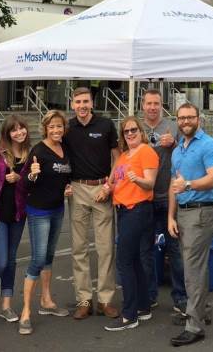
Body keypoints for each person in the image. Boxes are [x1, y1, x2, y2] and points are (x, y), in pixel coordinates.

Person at [168, 103, 213, 347]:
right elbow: (173, 185)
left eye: (190, 117)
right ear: (177, 120)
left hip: (201, 213)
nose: (186, 121)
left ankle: (195, 326)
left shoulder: (209, 145)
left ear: (198, 119)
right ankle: (202, 312)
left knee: (193, 271)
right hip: (183, 213)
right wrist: (171, 216)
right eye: (181, 118)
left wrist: (188, 185)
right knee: (195, 268)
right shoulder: (178, 149)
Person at [64, 87, 120, 320]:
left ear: (92, 102)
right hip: (77, 189)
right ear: (72, 104)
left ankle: (105, 300)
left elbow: (117, 157)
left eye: (86, 101)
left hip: (101, 189)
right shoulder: (67, 128)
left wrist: (109, 186)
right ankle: (84, 299)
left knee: (105, 248)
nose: (82, 105)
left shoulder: (105, 125)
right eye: (78, 102)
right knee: (79, 248)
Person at [18, 110, 72, 335]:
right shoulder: (39, 150)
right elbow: (25, 184)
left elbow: (65, 175)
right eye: (52, 127)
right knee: (38, 259)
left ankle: (47, 301)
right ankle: (25, 311)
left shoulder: (65, 149)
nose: (56, 130)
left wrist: (68, 186)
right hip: (39, 211)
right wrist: (31, 175)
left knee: (49, 256)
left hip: (57, 209)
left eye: (59, 126)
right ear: (45, 129)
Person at [104, 116, 158, 331]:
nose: (130, 134)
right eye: (126, 132)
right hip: (124, 210)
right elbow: (113, 180)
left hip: (137, 209)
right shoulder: (124, 155)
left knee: (124, 261)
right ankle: (143, 307)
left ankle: (129, 315)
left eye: (133, 130)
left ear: (141, 131)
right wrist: (106, 188)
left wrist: (138, 180)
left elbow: (150, 183)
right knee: (134, 260)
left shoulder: (146, 151)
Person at [141, 89, 187, 314]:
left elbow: (188, 151)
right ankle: (149, 297)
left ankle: (180, 297)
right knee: (146, 250)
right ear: (142, 106)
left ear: (162, 105)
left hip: (169, 197)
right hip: (145, 198)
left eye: (156, 103)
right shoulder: (136, 128)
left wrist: (174, 144)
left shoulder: (172, 126)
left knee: (174, 249)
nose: (152, 107)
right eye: (148, 103)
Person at [0, 115, 30, 323]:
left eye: (22, 128)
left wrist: (20, 179)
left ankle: (6, 305)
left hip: (18, 214)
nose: (19, 133)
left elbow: (32, 183)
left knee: (11, 260)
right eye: (14, 130)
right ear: (7, 132)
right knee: (0, 262)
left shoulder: (30, 153)